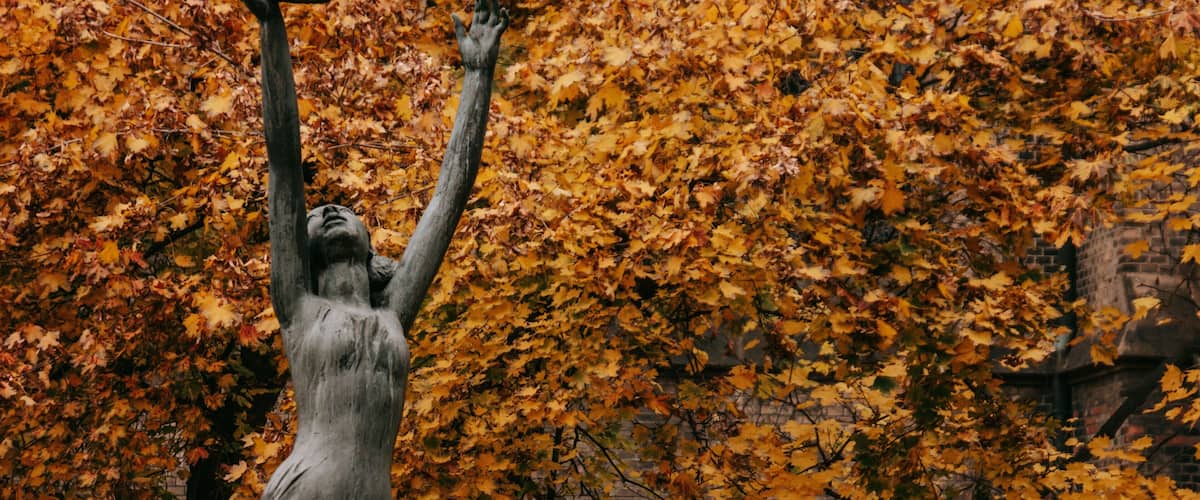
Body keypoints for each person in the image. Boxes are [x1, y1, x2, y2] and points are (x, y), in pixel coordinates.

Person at [236, 0, 508, 497]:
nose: (330, 210)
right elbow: (283, 160)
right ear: (305, 243)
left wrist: (477, 75)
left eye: (344, 209)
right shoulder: (300, 308)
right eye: (317, 214)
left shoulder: (393, 314)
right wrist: (272, 25)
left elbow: (451, 193)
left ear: (367, 245)